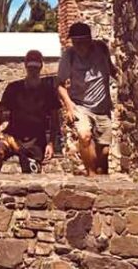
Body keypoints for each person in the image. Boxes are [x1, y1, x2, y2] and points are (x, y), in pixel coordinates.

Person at [0, 49, 60, 173]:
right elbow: (0, 110)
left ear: (41, 67)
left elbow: (55, 119)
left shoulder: (48, 91)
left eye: (35, 67)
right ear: (26, 66)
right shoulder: (13, 88)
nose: (33, 71)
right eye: (31, 67)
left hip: (36, 142)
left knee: (32, 172)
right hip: (12, 136)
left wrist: (51, 143)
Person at [57, 21, 115, 175]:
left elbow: (111, 70)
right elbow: (60, 85)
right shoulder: (69, 55)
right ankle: (91, 174)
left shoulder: (101, 49)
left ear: (90, 40)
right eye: (75, 43)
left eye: (82, 42)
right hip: (80, 105)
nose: (79, 46)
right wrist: (69, 107)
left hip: (102, 108)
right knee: (84, 136)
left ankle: (100, 174)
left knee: (104, 152)